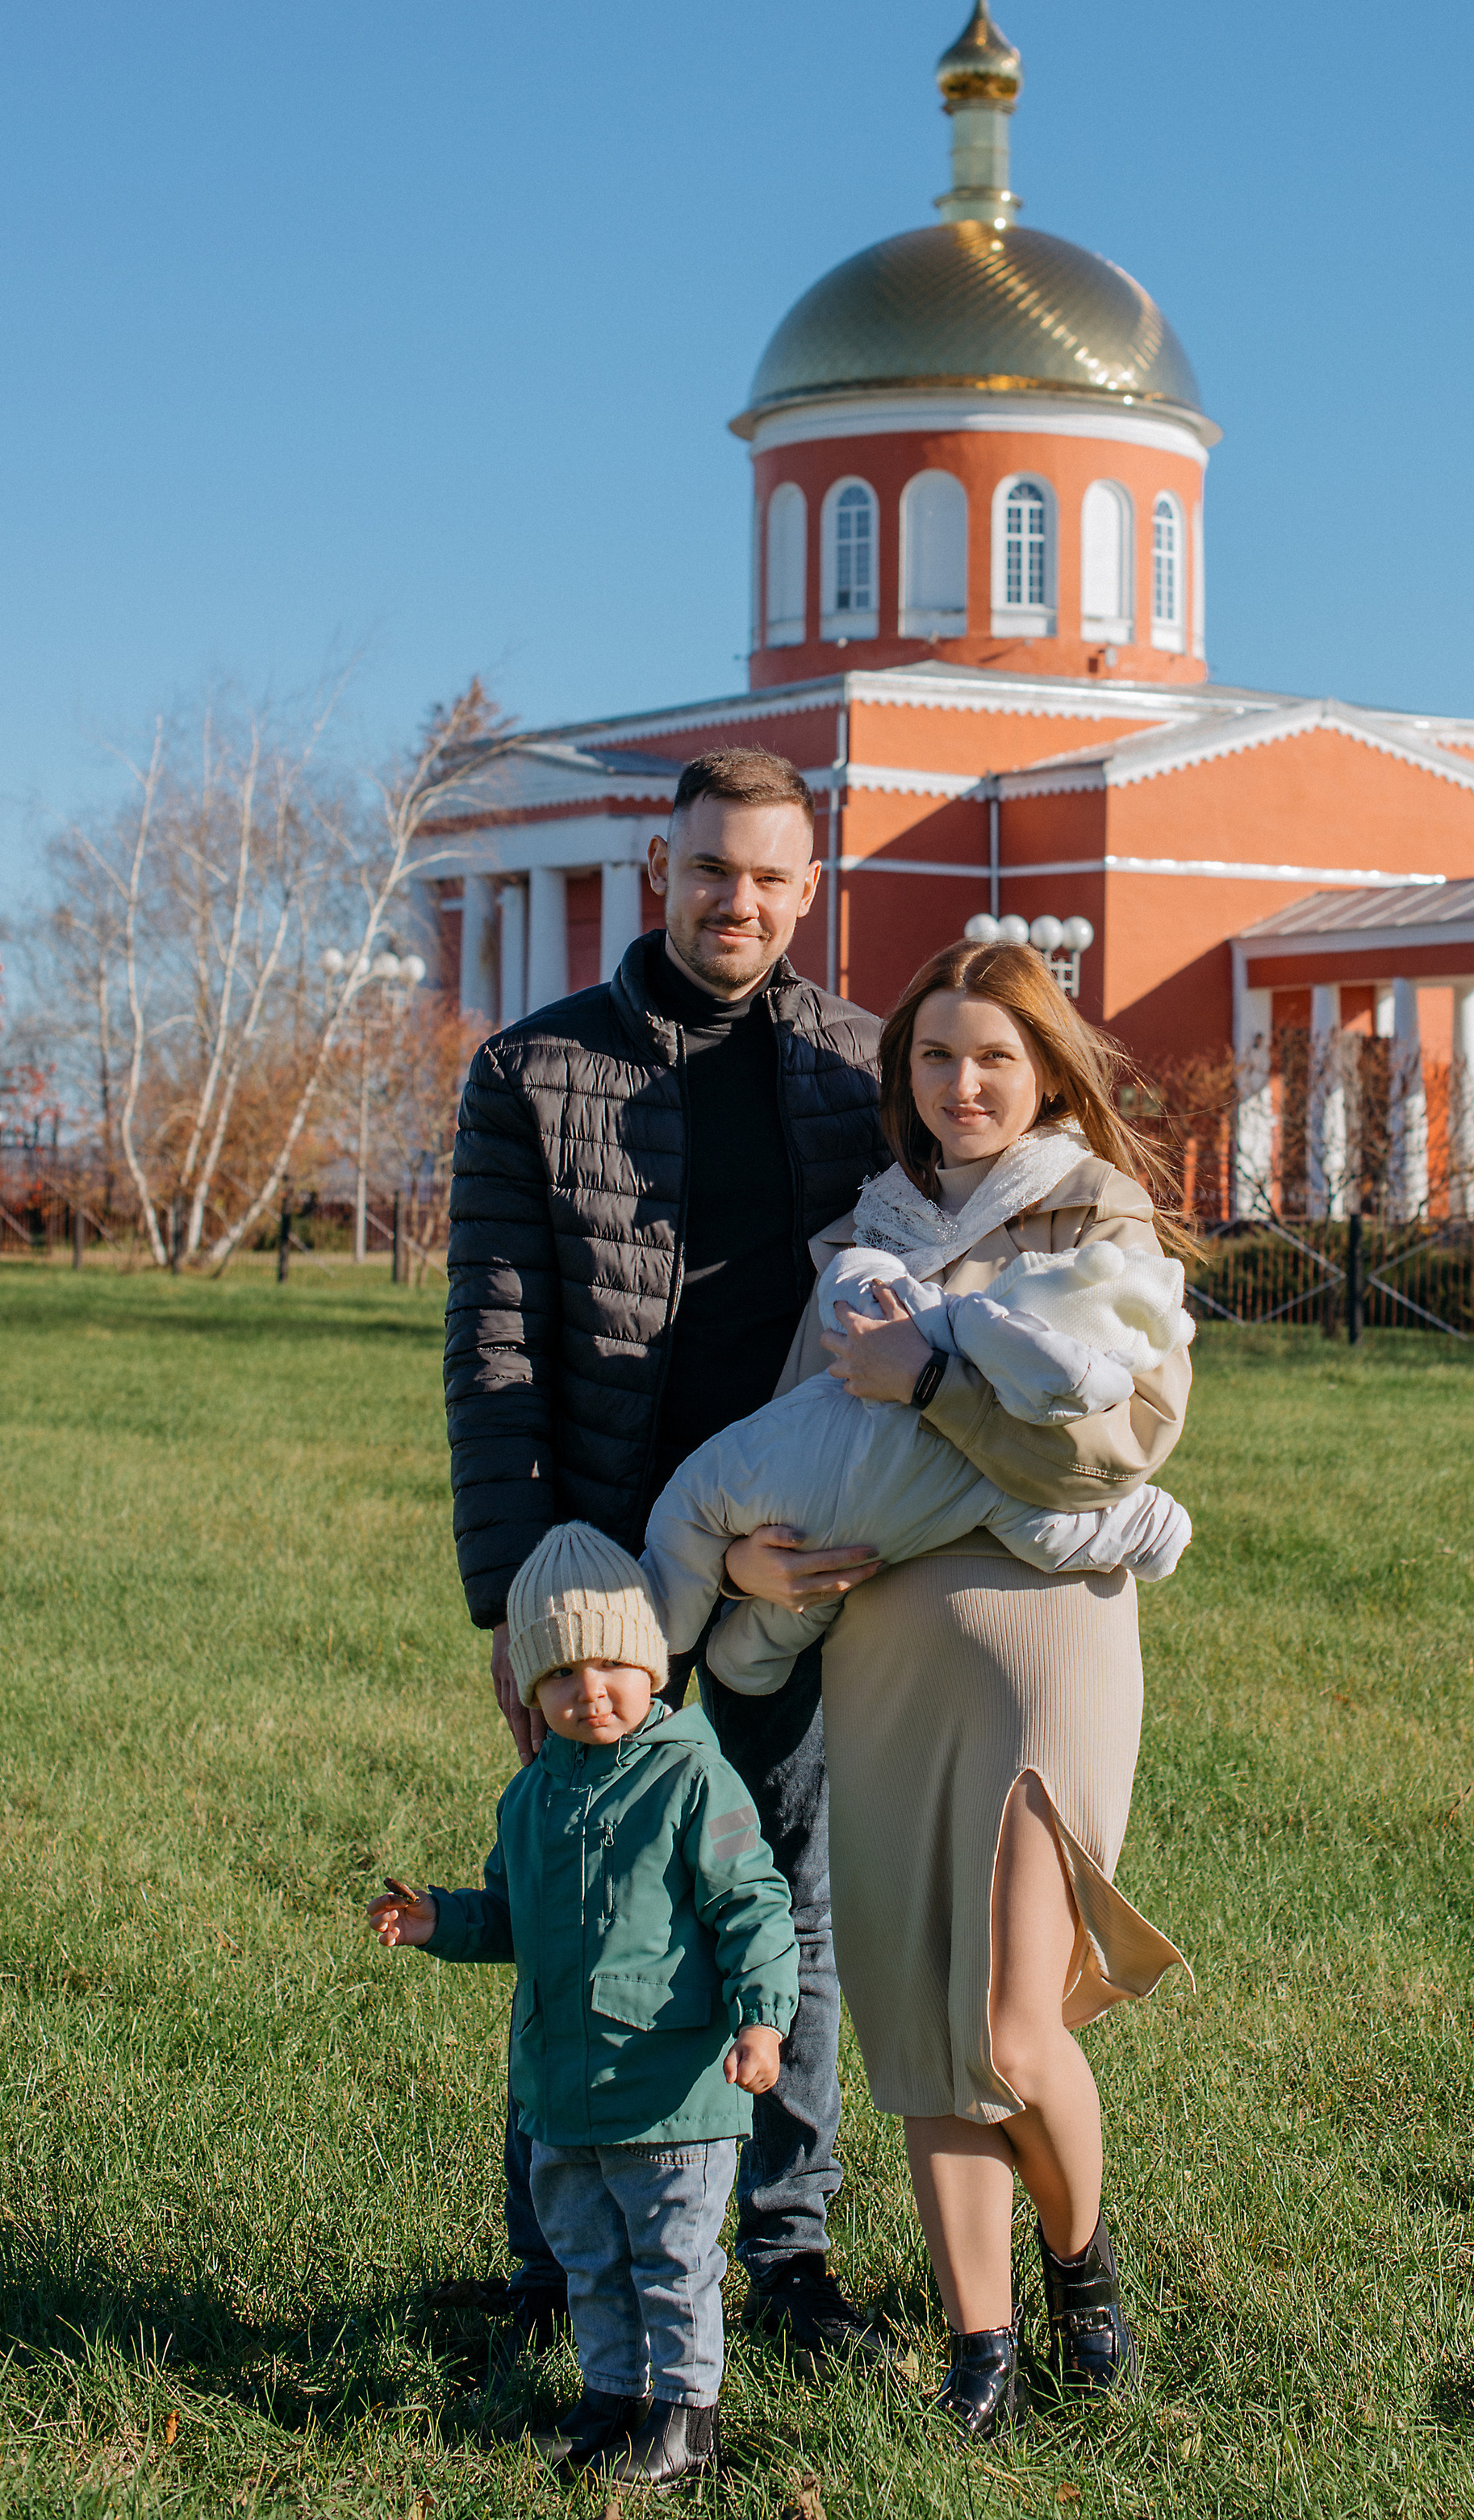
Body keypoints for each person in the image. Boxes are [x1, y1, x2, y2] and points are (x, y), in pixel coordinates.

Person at [443, 745, 885, 2359]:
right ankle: (558, 2268)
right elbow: (494, 1351)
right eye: (714, 871)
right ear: (658, 864)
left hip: (790, 1563)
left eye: (772, 878)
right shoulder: (531, 1069)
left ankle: (782, 2256)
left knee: (780, 1908)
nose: (741, 904)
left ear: (807, 888)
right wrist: (520, 1596)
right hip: (600, 1571)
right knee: (579, 1906)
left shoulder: (858, 1068)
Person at [721, 939, 1192, 2438]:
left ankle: (1083, 2271)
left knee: (1004, 2020)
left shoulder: (1097, 1221)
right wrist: (744, 1578)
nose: (964, 1083)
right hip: (884, 1660)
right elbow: (792, 1448)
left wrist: (927, 1385)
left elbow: (1118, 1452)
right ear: (904, 1079)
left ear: (1046, 1069)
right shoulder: (864, 1238)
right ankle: (979, 2349)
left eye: (994, 1055)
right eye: (936, 1057)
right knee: (921, 2023)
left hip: (1047, 1646)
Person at [370, 1523, 797, 2493]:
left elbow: (754, 1906)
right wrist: (442, 1919)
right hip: (562, 2089)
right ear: (529, 1687)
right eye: (559, 1673)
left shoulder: (692, 1778)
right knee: (591, 2258)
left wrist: (762, 2018)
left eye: (610, 1662)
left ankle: (688, 2417)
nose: (588, 1689)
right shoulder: (531, 1798)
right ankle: (611, 2398)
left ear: (650, 1663)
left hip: (671, 2093)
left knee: (673, 2260)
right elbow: (515, 1918)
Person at [640, 1228, 1194, 1692]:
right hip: (825, 1541)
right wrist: (1158, 1529)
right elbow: (1057, 1530)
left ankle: (651, 1644)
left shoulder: (944, 1335)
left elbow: (855, 1279)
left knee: (697, 1528)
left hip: (794, 1508)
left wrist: (924, 1371)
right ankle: (699, 1658)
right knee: (764, 1611)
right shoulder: (997, 1457)